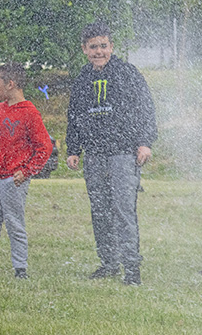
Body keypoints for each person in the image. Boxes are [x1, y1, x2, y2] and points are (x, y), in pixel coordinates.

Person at [66, 22, 157, 286]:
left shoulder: (127, 73)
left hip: (123, 153)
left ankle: (132, 268)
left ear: (112, 46)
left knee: (123, 210)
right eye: (93, 47)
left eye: (103, 46)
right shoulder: (83, 79)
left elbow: (146, 109)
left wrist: (145, 142)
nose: (99, 51)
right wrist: (74, 149)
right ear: (84, 49)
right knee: (100, 210)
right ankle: (108, 262)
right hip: (94, 154)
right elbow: (75, 116)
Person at [0, 63, 53, 280]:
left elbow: (44, 147)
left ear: (11, 84)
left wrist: (27, 171)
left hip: (12, 180)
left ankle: (20, 269)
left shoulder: (30, 113)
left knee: (15, 224)